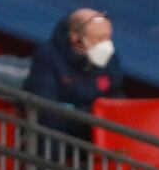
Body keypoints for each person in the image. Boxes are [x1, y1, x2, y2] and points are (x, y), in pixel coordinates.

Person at [23, 8, 124, 140]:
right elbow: (46, 111)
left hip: (93, 131)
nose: (107, 46)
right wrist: (92, 115)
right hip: (56, 136)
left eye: (108, 38)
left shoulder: (110, 58)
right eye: (99, 39)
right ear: (76, 39)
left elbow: (116, 95)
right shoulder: (48, 58)